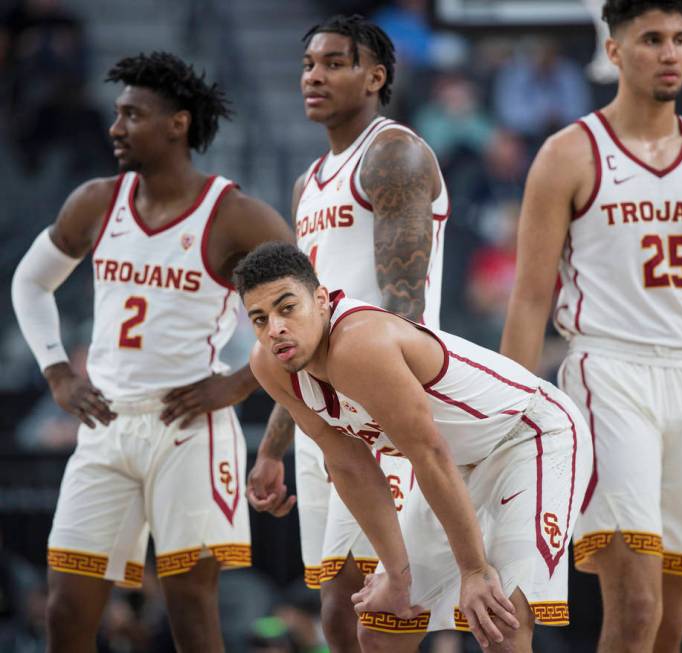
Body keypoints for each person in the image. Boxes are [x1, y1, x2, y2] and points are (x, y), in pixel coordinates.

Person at [500, 2, 682, 652]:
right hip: (608, 373)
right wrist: (511, 419)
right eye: (651, 39)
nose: (670, 52)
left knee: (672, 622)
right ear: (615, 50)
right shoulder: (566, 154)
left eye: (678, 39)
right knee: (635, 605)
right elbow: (527, 300)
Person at [10, 52, 293, 652]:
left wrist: (241, 383)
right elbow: (29, 283)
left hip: (189, 428)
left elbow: (310, 315)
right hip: (106, 424)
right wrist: (58, 371)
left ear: (178, 123)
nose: (116, 127)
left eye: (133, 115)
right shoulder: (94, 201)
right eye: (117, 114)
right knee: (65, 609)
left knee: (190, 609)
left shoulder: (237, 216)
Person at [235, 241, 592, 653]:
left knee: (500, 622)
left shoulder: (358, 345)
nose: (275, 328)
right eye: (259, 319)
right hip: (459, 460)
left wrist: (473, 569)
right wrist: (397, 576)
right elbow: (350, 466)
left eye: (287, 308)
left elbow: (430, 454)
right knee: (382, 629)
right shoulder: (269, 363)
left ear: (320, 300)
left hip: (531, 436)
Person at [244, 14, 448, 652]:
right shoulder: (309, 182)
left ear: (375, 76)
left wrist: (386, 417)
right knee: (337, 611)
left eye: (335, 63)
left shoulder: (394, 154)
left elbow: (404, 308)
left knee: (380, 612)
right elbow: (296, 329)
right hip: (320, 410)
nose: (314, 76)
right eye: (309, 64)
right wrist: (276, 444)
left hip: (375, 406)